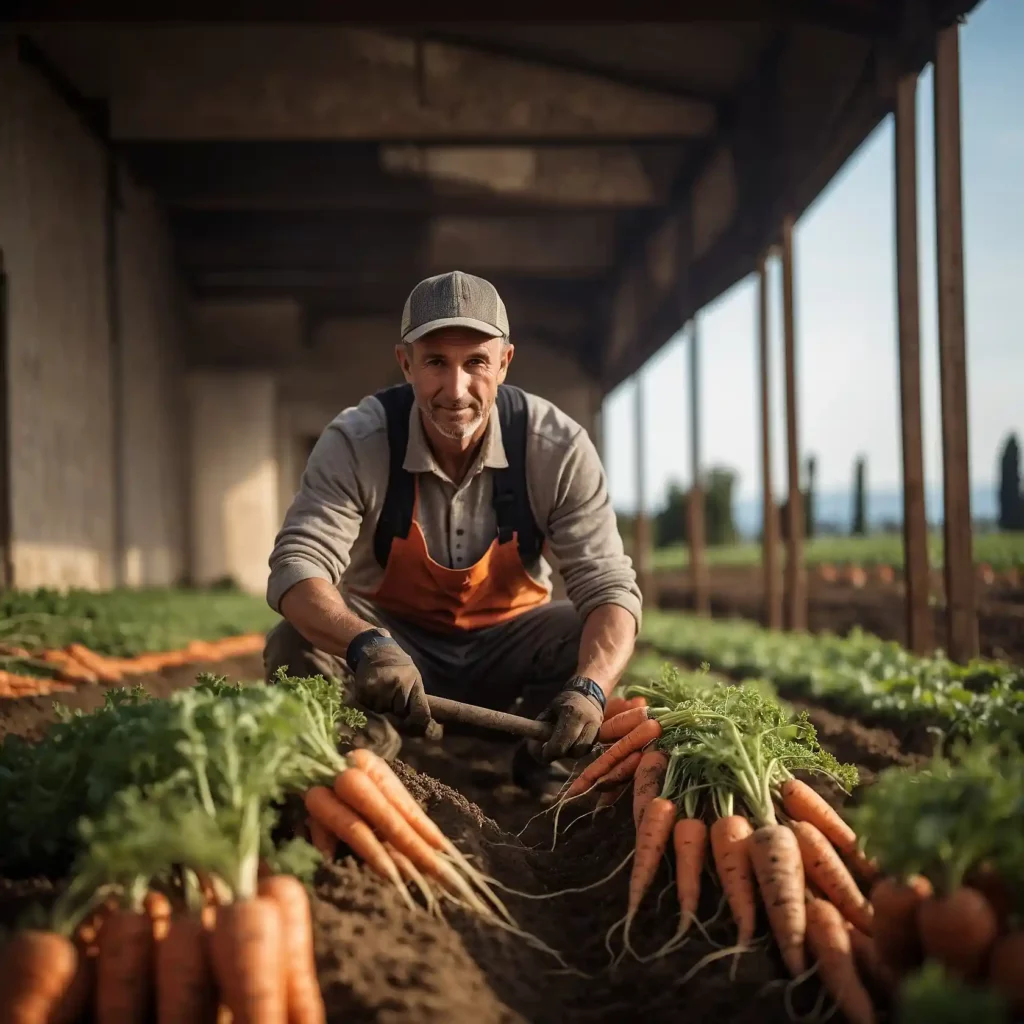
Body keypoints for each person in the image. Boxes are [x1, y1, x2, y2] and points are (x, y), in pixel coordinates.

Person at [263, 270, 643, 800]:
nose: (457, 389)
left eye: (476, 363)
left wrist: (591, 687)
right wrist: (365, 645)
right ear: (406, 364)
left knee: (592, 627)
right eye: (436, 362)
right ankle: (364, 750)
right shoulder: (358, 440)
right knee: (295, 638)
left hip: (509, 650)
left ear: (505, 362)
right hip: (395, 649)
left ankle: (541, 753)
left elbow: (609, 587)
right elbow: (297, 564)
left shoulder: (555, 447)